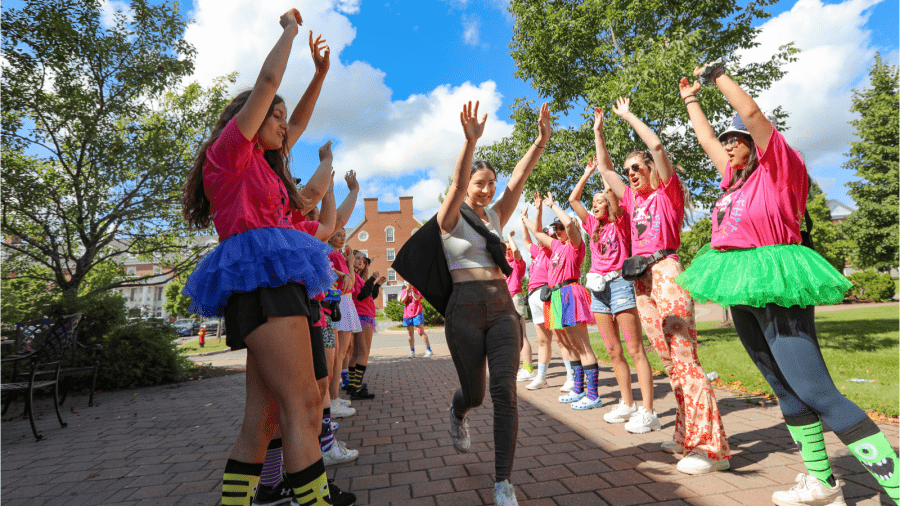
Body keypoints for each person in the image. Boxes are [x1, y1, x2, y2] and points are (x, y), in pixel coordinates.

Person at [676, 63, 898, 505]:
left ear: (756, 145)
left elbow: (754, 115)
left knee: (816, 390)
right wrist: (690, 100)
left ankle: (895, 486)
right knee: (782, 386)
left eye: (735, 138)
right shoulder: (732, 180)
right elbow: (704, 140)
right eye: (726, 140)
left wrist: (719, 77)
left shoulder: (781, 169)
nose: (728, 145)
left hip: (776, 280)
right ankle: (822, 483)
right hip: (737, 282)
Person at [180, 9, 338, 505]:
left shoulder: (269, 175)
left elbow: (297, 127)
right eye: (271, 113)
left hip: (278, 284)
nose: (282, 122)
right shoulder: (228, 156)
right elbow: (268, 81)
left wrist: (319, 76)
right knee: (302, 402)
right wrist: (290, 30)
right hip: (260, 285)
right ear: (243, 120)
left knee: (267, 417)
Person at [595, 98, 730, 475]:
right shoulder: (632, 199)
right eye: (629, 170)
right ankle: (687, 436)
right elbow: (605, 170)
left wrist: (628, 117)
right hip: (641, 281)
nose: (632, 173)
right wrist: (598, 132)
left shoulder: (666, 193)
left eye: (636, 168)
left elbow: (656, 146)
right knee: (670, 364)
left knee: (686, 360)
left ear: (652, 169)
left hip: (667, 271)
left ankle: (711, 449)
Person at [436, 100, 550, 506]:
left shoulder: (497, 216)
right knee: (476, 394)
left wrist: (539, 141)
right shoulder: (448, 216)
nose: (486, 190)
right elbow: (455, 185)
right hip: (463, 311)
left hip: (503, 310)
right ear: (467, 183)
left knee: (505, 391)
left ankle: (503, 482)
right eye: (479, 182)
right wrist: (470, 144)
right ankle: (458, 411)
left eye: (490, 183)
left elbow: (519, 179)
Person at [569, 153, 659, 432]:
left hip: (620, 284)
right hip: (598, 289)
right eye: (593, 203)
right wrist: (587, 173)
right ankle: (627, 403)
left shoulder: (620, 222)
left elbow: (618, 200)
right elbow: (573, 201)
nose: (594, 206)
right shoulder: (592, 226)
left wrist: (607, 187)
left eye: (599, 202)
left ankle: (649, 410)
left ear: (609, 205)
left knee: (634, 349)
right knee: (611, 349)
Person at [524, 194, 600, 410]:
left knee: (583, 345)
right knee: (571, 345)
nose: (556, 231)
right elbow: (537, 232)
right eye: (555, 229)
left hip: (570, 292)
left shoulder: (576, 245)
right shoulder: (556, 247)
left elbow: (567, 222)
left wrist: (553, 205)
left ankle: (593, 395)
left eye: (559, 228)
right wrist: (531, 215)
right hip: (556, 296)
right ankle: (578, 388)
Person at [519, 205, 575, 391]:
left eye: (547, 234)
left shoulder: (553, 251)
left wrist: (538, 211)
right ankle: (541, 377)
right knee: (543, 341)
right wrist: (522, 220)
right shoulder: (538, 253)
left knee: (560, 338)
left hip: (546, 294)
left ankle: (571, 377)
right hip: (533, 296)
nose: (544, 237)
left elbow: (535, 234)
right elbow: (526, 240)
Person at [348, 251, 386, 400]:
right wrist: (372, 278)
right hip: (363, 315)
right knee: (363, 353)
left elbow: (370, 295)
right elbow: (361, 295)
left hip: (363, 314)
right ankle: (357, 388)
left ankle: (353, 385)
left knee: (356, 353)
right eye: (357, 259)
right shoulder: (355, 277)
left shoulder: (357, 277)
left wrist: (377, 284)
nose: (360, 262)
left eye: (363, 261)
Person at [505, 230, 533, 382]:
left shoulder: (517, 265)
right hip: (504, 301)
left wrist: (509, 238)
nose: (508, 252)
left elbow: (516, 251)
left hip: (515, 299)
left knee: (521, 336)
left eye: (509, 249)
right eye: (505, 250)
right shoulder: (501, 267)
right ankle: (519, 368)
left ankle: (528, 370)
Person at [400, 283, 433, 358]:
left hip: (417, 313)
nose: (409, 284)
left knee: (420, 331)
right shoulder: (404, 291)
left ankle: (429, 350)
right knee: (410, 333)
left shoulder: (417, 289)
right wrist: (407, 291)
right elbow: (402, 300)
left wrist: (412, 291)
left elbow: (417, 298)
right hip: (407, 314)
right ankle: (412, 352)